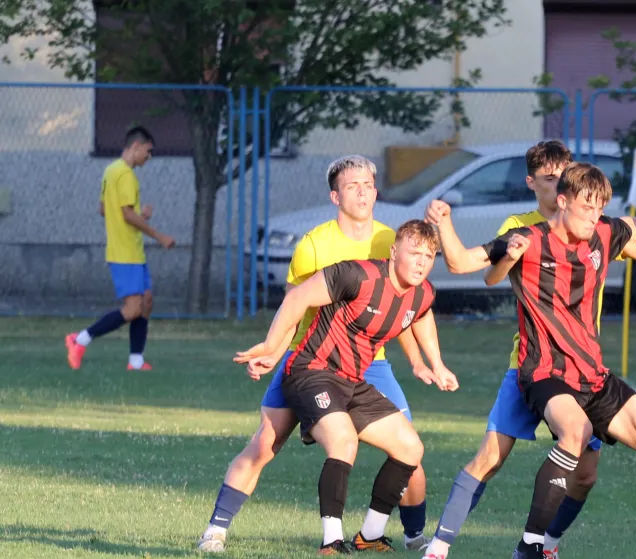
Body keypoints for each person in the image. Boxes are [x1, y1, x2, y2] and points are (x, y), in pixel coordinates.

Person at [421, 141, 636, 559]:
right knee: (562, 436)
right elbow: (463, 264)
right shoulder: (525, 235)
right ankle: (518, 546)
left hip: (591, 373)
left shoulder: (605, 231)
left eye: (598, 208)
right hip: (542, 370)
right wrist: (445, 222)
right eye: (586, 207)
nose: (594, 216)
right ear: (561, 199)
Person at [196, 156, 437, 553]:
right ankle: (216, 530)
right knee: (263, 445)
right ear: (335, 195)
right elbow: (296, 305)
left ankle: (412, 538)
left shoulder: (390, 240)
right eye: (352, 185)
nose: (362, 191)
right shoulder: (314, 244)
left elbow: (404, 309)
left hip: (369, 365)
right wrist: (274, 351)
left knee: (410, 452)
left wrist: (417, 361)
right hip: (310, 359)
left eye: (368, 184)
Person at [234, 219, 459, 555]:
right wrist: (270, 346)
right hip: (312, 371)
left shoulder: (423, 291)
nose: (421, 262)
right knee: (342, 441)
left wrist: (435, 363)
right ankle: (330, 540)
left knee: (410, 448)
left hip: (353, 381)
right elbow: (298, 297)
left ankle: (369, 535)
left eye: (429, 256)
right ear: (394, 251)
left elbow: (422, 313)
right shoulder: (358, 275)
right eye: (414, 253)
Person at [65, 126, 175, 371]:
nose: (149, 156)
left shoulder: (110, 171)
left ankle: (136, 361)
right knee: (134, 308)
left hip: (129, 250)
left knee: (146, 301)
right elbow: (125, 214)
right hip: (126, 253)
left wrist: (137, 217)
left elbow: (104, 209)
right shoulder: (126, 175)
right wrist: (159, 235)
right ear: (136, 146)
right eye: (148, 151)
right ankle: (79, 339)